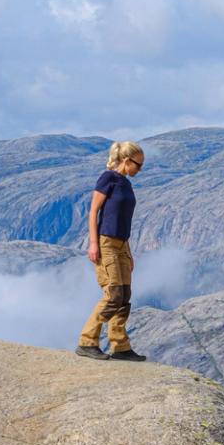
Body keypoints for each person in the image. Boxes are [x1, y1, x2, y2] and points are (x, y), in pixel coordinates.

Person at [76, 141, 148, 361]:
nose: (139, 169)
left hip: (122, 244)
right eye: (138, 164)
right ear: (126, 161)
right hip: (106, 242)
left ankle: (120, 346)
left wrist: (128, 251)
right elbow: (93, 211)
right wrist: (93, 243)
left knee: (125, 295)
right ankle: (87, 341)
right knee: (114, 294)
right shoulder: (107, 178)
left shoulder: (126, 183)